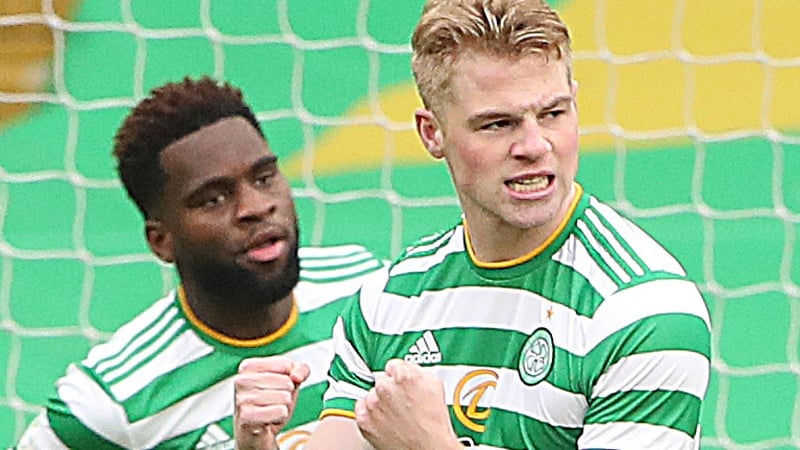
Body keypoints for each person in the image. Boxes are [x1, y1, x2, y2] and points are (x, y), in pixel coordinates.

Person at [233, 0, 713, 449]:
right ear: (432, 133)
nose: (534, 145)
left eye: (553, 113)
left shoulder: (642, 309)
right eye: (498, 124)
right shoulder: (389, 301)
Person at [15, 76, 386, 449]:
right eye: (213, 199)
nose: (256, 207)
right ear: (161, 241)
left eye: (264, 178)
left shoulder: (370, 292)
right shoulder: (111, 400)